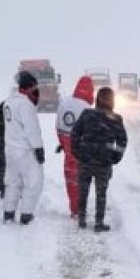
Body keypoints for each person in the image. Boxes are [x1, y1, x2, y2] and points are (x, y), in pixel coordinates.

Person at [69, 86, 127, 232]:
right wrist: (115, 157)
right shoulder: (116, 119)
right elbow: (122, 140)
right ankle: (99, 222)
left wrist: (77, 152)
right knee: (101, 193)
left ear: (97, 99)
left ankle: (82, 218)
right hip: (104, 161)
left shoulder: (87, 114)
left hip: (85, 159)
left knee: (83, 190)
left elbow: (75, 133)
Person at [1, 71, 46, 225]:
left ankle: (8, 213)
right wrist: (38, 148)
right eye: (34, 87)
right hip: (25, 151)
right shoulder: (25, 105)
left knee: (12, 182)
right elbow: (31, 129)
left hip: (10, 149)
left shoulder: (9, 102)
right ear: (29, 86)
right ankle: (26, 214)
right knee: (32, 182)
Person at [54, 75, 95, 216]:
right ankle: (79, 209)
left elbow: (58, 126)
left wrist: (63, 143)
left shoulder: (64, 103)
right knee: (81, 178)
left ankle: (74, 207)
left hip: (66, 143)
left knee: (70, 177)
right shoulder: (87, 108)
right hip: (81, 147)